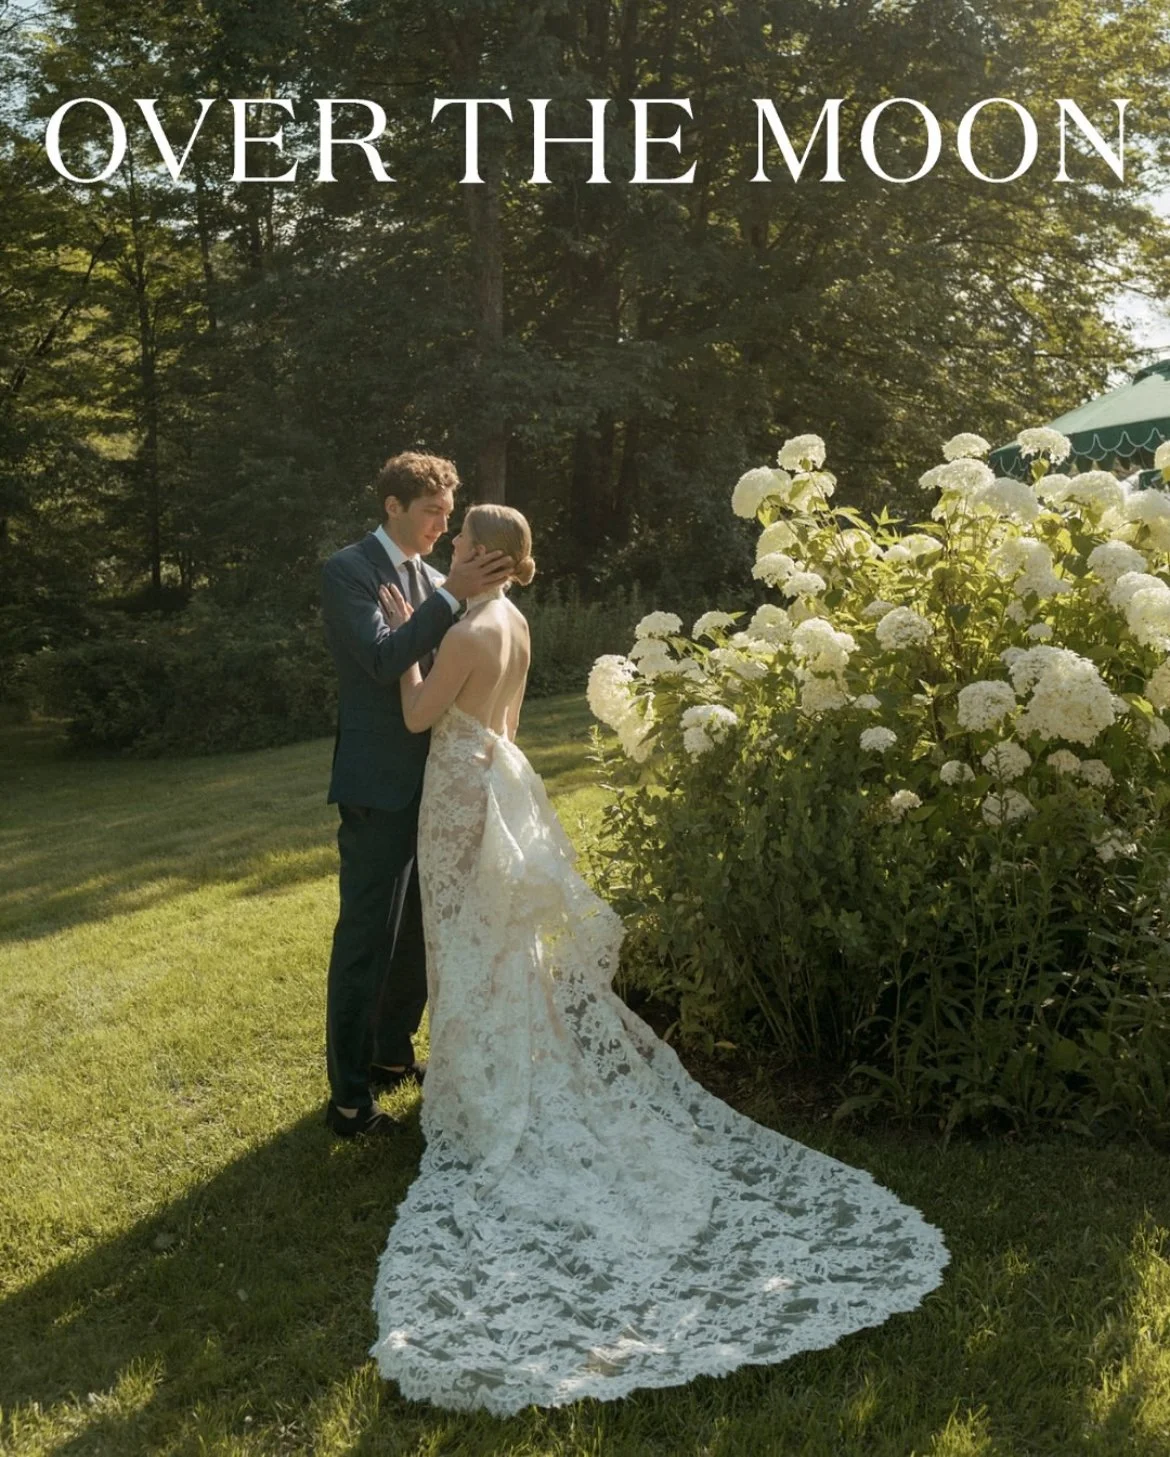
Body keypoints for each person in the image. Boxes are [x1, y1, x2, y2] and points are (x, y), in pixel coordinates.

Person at [366, 503, 950, 1414]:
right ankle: (500, 1071)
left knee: (467, 947)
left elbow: (414, 714)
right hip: (501, 783)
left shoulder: (468, 630)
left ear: (483, 554)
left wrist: (410, 645)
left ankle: (484, 1096)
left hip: (459, 799)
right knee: (506, 947)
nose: (450, 550)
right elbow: (504, 720)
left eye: (461, 541)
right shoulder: (514, 622)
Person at [318, 452, 511, 1138]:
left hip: (439, 783)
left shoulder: (432, 579)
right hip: (378, 785)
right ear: (393, 506)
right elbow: (381, 659)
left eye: (448, 515)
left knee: (417, 935)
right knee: (367, 940)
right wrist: (450, 598)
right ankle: (348, 1099)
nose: (441, 525)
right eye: (431, 511)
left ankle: (392, 1052)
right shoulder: (349, 570)